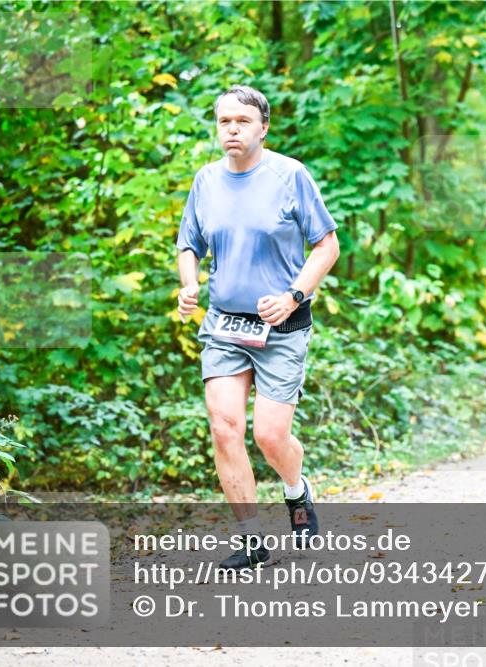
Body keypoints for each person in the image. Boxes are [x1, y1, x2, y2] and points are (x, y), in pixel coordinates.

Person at [175, 85, 340, 569]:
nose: (232, 129)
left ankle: (296, 490)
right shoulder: (206, 180)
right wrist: (189, 284)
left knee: (269, 436)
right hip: (225, 326)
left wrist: (293, 297)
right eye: (224, 121)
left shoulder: (290, 175)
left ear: (263, 127)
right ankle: (251, 541)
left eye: (243, 121)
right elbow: (189, 244)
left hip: (282, 328)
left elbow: (327, 246)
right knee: (224, 428)